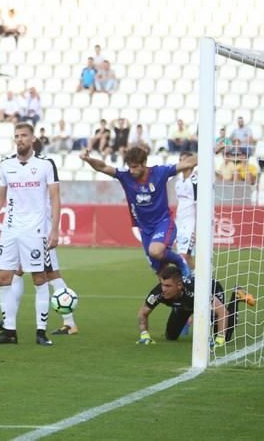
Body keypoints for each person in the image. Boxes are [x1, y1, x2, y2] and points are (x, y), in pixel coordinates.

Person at [0, 123, 59, 346]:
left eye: (24, 135)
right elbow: (0, 196)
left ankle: (41, 332)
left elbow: (55, 198)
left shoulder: (45, 164)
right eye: (17, 136)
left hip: (36, 230)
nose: (20, 139)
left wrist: (54, 229)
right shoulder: (6, 164)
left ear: (33, 138)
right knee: (3, 278)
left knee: (39, 278)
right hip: (10, 229)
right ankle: (9, 331)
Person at [80, 146, 195, 277]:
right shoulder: (125, 176)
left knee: (155, 251)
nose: (132, 171)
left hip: (162, 223)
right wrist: (87, 159)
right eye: (130, 167)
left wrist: (211, 150)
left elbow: (188, 163)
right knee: (161, 273)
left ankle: (180, 261)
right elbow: (102, 167)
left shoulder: (160, 172)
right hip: (145, 229)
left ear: (144, 163)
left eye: (135, 167)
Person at [136, 264, 255, 345]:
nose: (163, 289)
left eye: (168, 286)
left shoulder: (197, 292)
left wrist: (220, 339)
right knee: (171, 336)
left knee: (225, 337)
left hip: (211, 291)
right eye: (162, 284)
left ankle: (236, 295)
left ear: (179, 286)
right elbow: (143, 312)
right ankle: (180, 310)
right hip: (185, 304)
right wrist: (144, 334)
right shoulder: (158, 293)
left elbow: (221, 312)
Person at [174, 152, 197, 269]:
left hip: (191, 222)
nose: (180, 163)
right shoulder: (178, 182)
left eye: (183, 160)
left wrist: (197, 228)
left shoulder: (195, 181)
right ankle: (189, 280)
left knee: (185, 255)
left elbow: (199, 205)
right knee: (181, 256)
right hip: (180, 221)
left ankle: (200, 280)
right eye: (179, 160)